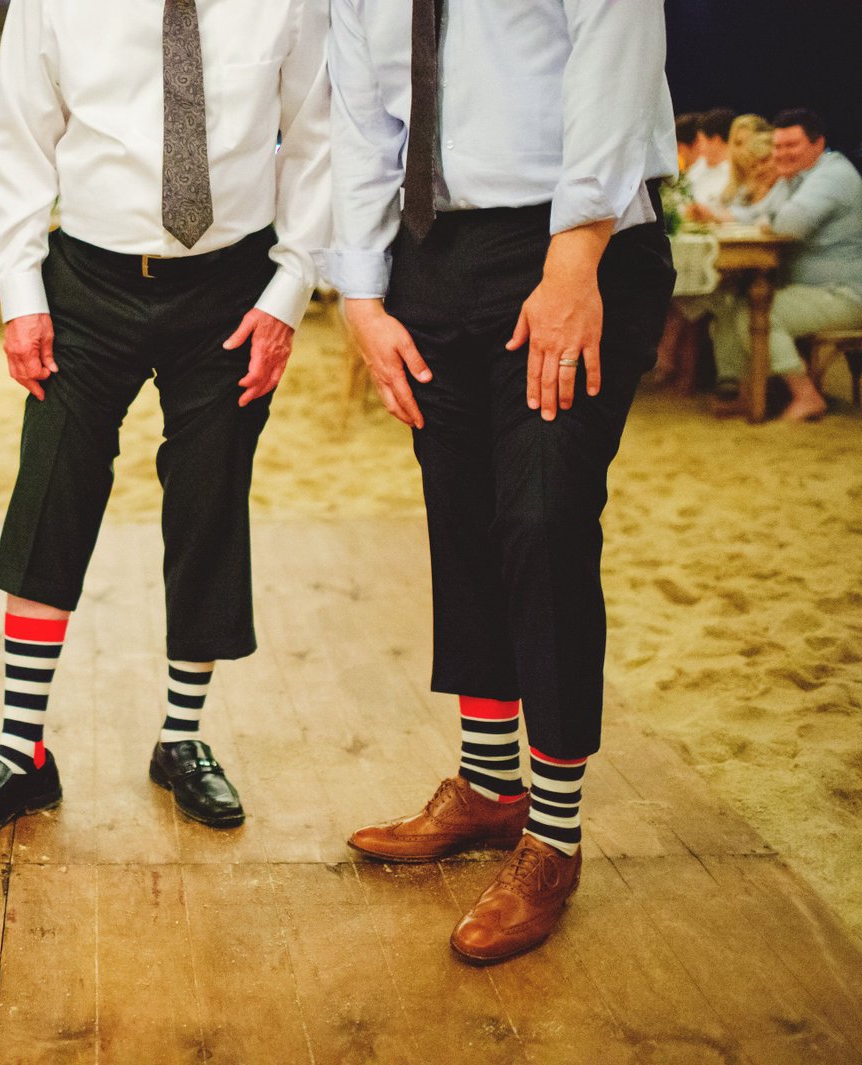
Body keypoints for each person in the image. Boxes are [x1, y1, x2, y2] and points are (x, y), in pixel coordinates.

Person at [0, 0, 333, 843]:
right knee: (51, 488)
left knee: (210, 494)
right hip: (87, 283)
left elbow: (319, 139)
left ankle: (182, 739)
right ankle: (19, 751)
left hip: (232, 286)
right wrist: (22, 296)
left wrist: (288, 291)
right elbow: (20, 142)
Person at [328, 0, 676, 963]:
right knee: (466, 522)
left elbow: (616, 54)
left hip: (574, 243)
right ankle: (489, 785)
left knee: (543, 518)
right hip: (431, 259)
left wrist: (576, 259)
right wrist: (360, 294)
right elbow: (363, 124)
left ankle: (553, 838)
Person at [709, 108, 862, 421]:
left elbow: (790, 224)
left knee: (758, 312)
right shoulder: (798, 177)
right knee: (732, 303)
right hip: (815, 290)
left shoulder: (832, 176)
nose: (781, 154)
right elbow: (758, 214)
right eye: (778, 147)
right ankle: (751, 394)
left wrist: (769, 219)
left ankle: (806, 397)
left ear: (818, 145)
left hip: (844, 293)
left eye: (791, 146)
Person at [688, 107, 735, 206]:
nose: (699, 147)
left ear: (716, 141)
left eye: (701, 141)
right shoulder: (697, 169)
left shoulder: (735, 173)